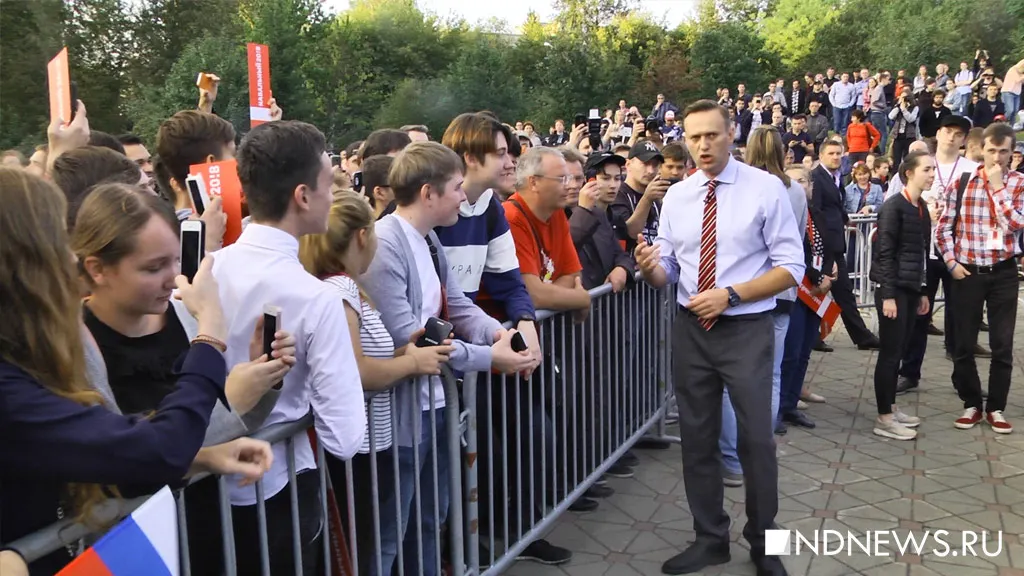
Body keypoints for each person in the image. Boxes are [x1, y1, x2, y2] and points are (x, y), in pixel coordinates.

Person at [0, 167, 273, 576]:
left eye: (175, 260)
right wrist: (211, 341)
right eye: (58, 243)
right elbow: (144, 452)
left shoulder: (31, 353)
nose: (68, 259)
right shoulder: (36, 368)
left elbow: (125, 445)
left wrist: (203, 456)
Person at [634, 100, 802, 576]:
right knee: (698, 438)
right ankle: (710, 539)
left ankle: (767, 544)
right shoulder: (679, 197)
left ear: (732, 134)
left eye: (711, 135)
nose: (703, 145)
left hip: (747, 328)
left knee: (757, 442)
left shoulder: (766, 189)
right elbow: (668, 270)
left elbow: (792, 268)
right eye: (694, 137)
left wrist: (730, 295)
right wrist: (651, 268)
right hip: (692, 331)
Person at [362, 141, 536, 575]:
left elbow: (456, 306)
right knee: (388, 532)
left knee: (430, 519)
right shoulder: (385, 245)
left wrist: (499, 332)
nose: (465, 196)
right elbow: (412, 341)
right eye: (457, 188)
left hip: (435, 405)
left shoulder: (429, 239)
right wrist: (489, 357)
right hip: (401, 416)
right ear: (428, 194)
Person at [213, 121, 369, 574]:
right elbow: (345, 436)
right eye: (327, 186)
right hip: (278, 490)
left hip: (206, 494)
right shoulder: (317, 297)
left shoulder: (209, 269)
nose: (332, 196)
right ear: (302, 196)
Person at [299, 191, 455, 575]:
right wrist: (411, 363)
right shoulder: (340, 294)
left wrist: (406, 355)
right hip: (362, 449)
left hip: (373, 442)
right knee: (374, 546)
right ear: (363, 237)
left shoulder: (347, 290)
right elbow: (359, 371)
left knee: (383, 538)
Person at [719, 125, 807, 486]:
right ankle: (758, 445)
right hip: (781, 293)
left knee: (732, 380)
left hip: (750, 294)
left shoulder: (751, 188)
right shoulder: (796, 190)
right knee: (769, 375)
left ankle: (733, 457)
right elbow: (795, 242)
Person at [937, 123, 1024, 434]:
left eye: (1004, 152)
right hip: (968, 270)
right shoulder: (962, 182)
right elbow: (943, 228)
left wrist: (999, 186)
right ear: (980, 151)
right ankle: (971, 403)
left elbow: (1015, 224)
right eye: (991, 151)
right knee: (963, 342)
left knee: (1002, 344)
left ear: (1013, 153)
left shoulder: (1019, 184)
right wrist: (950, 262)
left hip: (1003, 271)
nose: (997, 157)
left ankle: (996, 407)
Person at [870, 151, 931, 439]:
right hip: (892, 290)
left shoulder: (922, 208)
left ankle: (891, 408)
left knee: (901, 350)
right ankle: (883, 417)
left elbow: (921, 253)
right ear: (910, 173)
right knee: (890, 354)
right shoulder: (893, 207)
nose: (932, 175)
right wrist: (888, 295)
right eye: (927, 170)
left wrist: (923, 291)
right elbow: (884, 253)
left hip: (910, 289)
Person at [811, 140, 880, 349]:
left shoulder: (835, 177)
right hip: (824, 247)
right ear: (821, 156)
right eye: (831, 153)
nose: (836, 157)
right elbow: (817, 212)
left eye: (839, 154)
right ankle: (857, 336)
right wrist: (825, 249)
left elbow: (836, 205)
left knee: (843, 293)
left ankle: (861, 336)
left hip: (835, 244)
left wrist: (845, 218)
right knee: (828, 292)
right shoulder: (817, 178)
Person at [888, 86, 920, 170]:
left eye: (905, 97)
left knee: (907, 159)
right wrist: (899, 106)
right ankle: (895, 176)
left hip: (909, 136)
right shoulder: (898, 106)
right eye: (901, 97)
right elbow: (890, 116)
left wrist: (904, 109)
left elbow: (911, 119)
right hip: (898, 136)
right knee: (896, 159)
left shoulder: (915, 107)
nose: (903, 99)